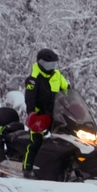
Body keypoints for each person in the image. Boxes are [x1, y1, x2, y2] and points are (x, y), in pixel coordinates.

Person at [23, 48, 70, 178]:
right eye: (49, 64)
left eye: (54, 64)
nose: (52, 67)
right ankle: (28, 167)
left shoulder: (57, 76)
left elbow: (67, 90)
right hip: (39, 116)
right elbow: (30, 99)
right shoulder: (34, 78)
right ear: (40, 62)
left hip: (56, 114)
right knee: (36, 141)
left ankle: (62, 164)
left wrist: (73, 105)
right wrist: (32, 113)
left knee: (65, 138)